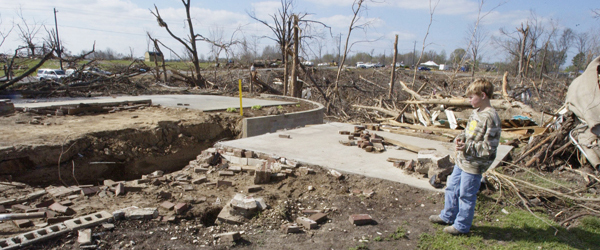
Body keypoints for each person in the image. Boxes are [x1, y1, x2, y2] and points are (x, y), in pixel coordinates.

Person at [429, 78, 501, 235]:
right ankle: (448, 216)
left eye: (471, 97)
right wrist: (461, 137)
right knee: (452, 187)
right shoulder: (476, 113)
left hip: (474, 164)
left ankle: (461, 226)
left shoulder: (491, 117)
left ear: (483, 95)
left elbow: (489, 148)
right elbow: (469, 132)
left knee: (466, 194)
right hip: (463, 159)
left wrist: (467, 146)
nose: (469, 100)